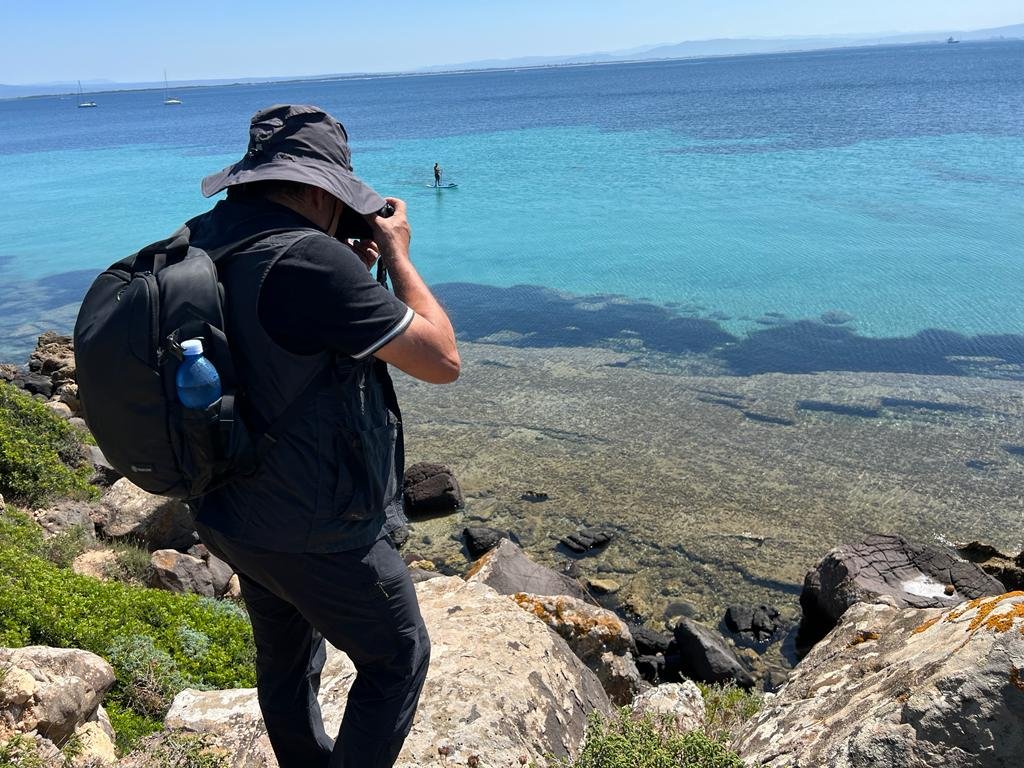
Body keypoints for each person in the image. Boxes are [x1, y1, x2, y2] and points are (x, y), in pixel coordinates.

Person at [184, 104, 460, 768]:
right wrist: (395, 255)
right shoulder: (310, 261)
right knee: (398, 656)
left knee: (286, 660)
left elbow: (277, 350)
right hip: (314, 528)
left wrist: (349, 274)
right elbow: (441, 359)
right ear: (316, 188)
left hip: (228, 507)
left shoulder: (201, 238)